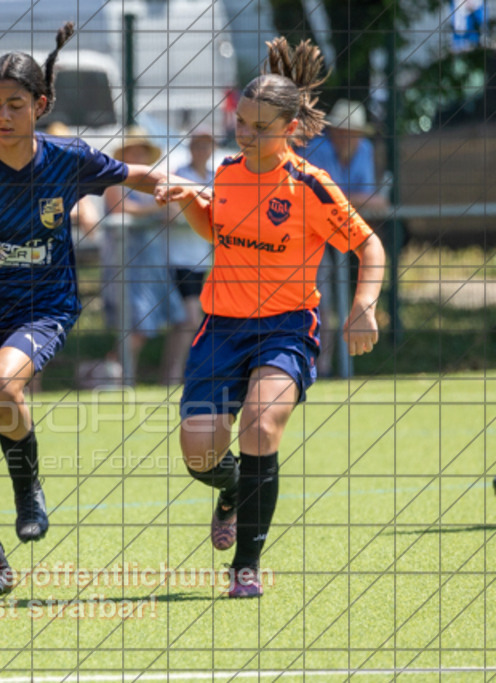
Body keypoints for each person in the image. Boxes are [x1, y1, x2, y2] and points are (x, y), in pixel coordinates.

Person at [0, 22, 176, 598]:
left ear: (40, 105)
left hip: (43, 309)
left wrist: (189, 188)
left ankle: (27, 489)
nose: (1, 116)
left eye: (15, 105)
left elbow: (137, 175)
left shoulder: (67, 160)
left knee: (1, 384)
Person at [158, 37, 386, 598]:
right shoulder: (229, 173)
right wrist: (191, 200)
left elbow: (369, 245)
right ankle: (232, 490)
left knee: (261, 426)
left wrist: (363, 305)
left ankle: (246, 566)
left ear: (289, 128)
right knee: (199, 450)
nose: (248, 134)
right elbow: (220, 232)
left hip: (286, 327)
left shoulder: (309, 185)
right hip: (222, 328)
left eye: (262, 127)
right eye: (243, 123)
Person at [298, 99, 389, 378]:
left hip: (346, 235)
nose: (347, 135)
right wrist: (351, 200)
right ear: (333, 131)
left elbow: (372, 203)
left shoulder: (365, 150)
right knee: (318, 303)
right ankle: (318, 368)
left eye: (353, 131)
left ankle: (326, 366)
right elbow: (324, 200)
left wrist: (342, 200)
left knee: (339, 302)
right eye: (342, 130)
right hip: (310, 238)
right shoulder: (316, 149)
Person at [102, 124, 183, 385]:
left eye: (141, 151)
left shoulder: (154, 182)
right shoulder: (112, 180)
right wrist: (158, 209)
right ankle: (115, 377)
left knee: (178, 320)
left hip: (151, 264)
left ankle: (165, 379)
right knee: (135, 328)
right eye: (131, 151)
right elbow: (121, 208)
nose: (136, 156)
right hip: (125, 264)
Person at [162, 125, 216, 385]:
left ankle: (172, 373)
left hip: (201, 260)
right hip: (178, 258)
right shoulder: (180, 175)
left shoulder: (215, 176)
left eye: (207, 145)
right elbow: (170, 213)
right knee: (190, 318)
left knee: (186, 321)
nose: (202, 149)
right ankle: (176, 375)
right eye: (198, 144)